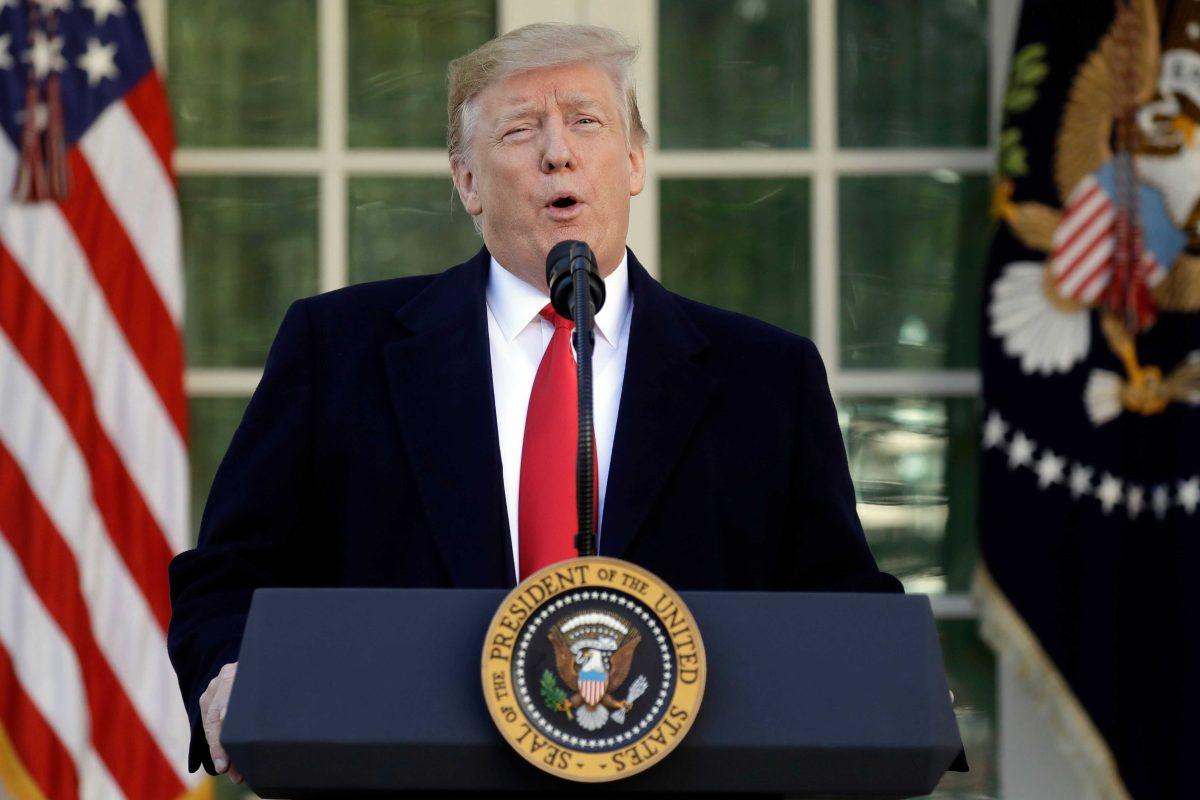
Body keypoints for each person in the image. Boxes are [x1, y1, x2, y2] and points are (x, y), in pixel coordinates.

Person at [167, 23, 902, 784]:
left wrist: (895, 674)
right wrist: (230, 670)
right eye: (521, 130)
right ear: (467, 182)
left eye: (586, 122)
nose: (559, 151)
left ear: (634, 160)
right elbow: (229, 572)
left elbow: (836, 597)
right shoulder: (338, 348)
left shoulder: (766, 378)